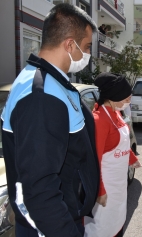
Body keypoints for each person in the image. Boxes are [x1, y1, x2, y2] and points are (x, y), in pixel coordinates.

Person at [1, 3, 99, 237]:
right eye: (86, 47)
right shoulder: (42, 96)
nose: (87, 55)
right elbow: (39, 187)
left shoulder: (52, 83)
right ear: (69, 44)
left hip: (63, 214)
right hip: (51, 226)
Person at [84, 72, 141, 237]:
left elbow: (120, 142)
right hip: (105, 187)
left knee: (117, 223)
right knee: (101, 228)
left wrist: (131, 158)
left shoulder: (116, 113)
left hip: (119, 186)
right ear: (114, 96)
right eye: (127, 98)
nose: (129, 102)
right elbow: (94, 159)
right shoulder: (99, 120)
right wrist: (100, 191)